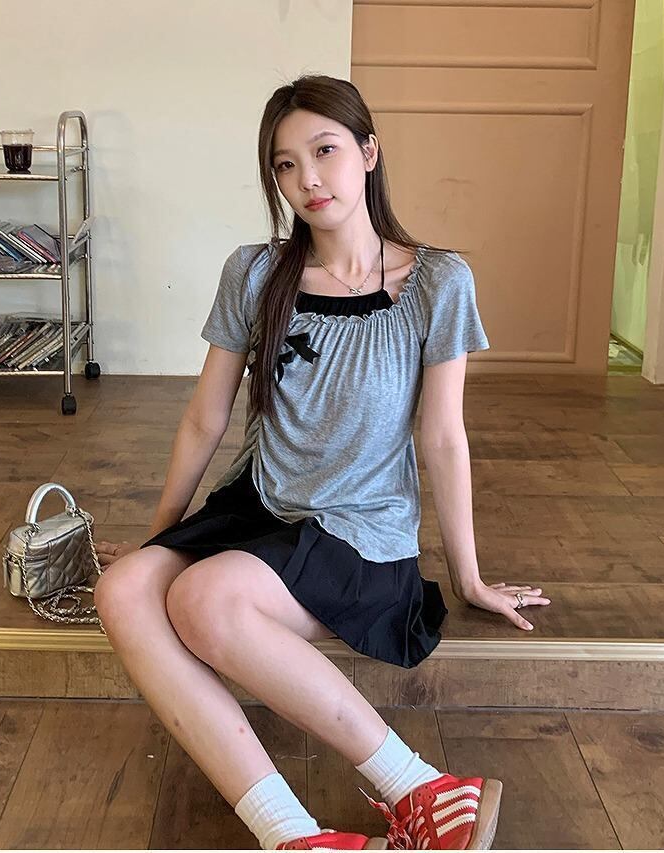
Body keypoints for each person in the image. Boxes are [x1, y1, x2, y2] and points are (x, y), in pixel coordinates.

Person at [93, 75, 551, 851]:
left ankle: (423, 787)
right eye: (284, 164)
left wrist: (469, 577)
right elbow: (205, 416)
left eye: (325, 150)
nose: (307, 177)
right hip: (259, 508)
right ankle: (294, 836)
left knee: (203, 600)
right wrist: (157, 537)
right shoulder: (254, 273)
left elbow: (443, 437)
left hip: (359, 532)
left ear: (369, 152)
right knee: (124, 589)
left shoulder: (437, 282)